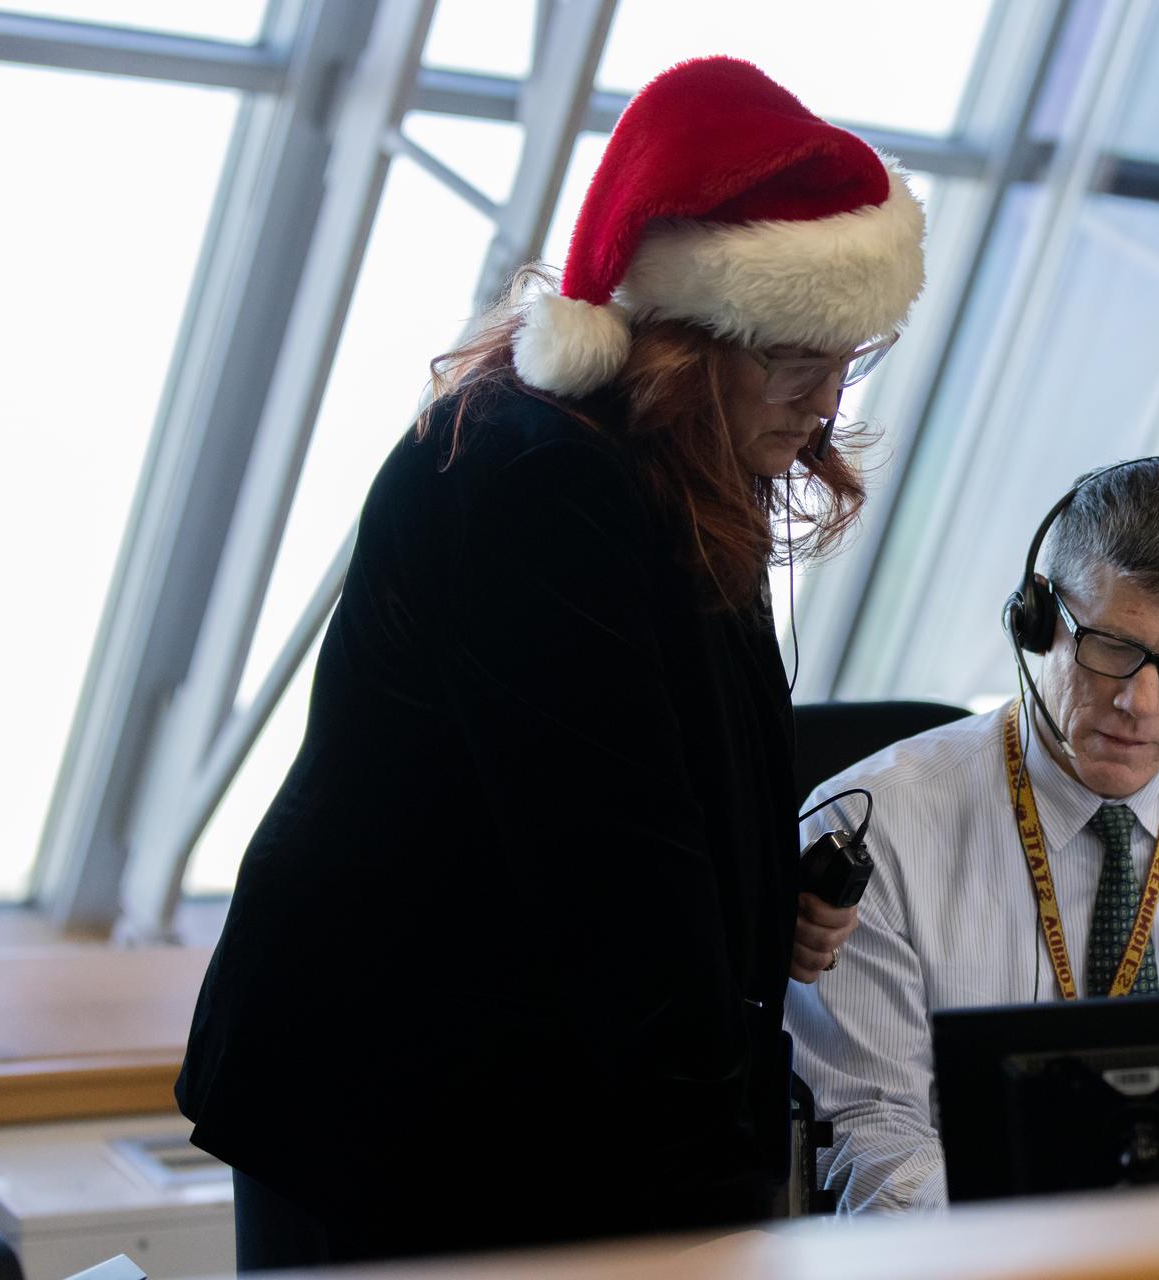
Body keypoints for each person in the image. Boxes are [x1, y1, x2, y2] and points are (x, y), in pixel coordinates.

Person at [175, 56, 925, 1267]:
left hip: (520, 1083)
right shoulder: (535, 479)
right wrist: (729, 1213)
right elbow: (613, 866)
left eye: (852, 355)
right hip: (403, 1104)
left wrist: (757, 903)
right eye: (795, 355)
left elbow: (672, 790)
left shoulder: (679, 468)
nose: (826, 402)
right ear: (678, 335)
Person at [785, 457, 1159, 1213]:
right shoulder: (875, 829)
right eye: (1114, 647)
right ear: (1039, 617)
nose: (1139, 703)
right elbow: (872, 1138)